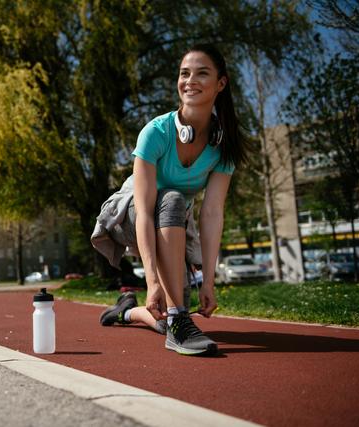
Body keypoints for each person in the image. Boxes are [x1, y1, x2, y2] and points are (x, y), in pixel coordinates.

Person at [93, 44, 248, 356]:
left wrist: (208, 281)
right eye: (184, 73)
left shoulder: (224, 145)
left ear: (221, 83)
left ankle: (125, 311)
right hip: (132, 213)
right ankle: (178, 324)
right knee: (173, 200)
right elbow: (146, 211)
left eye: (202, 73)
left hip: (175, 223)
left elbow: (212, 213)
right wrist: (152, 281)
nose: (189, 80)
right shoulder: (156, 132)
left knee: (168, 315)